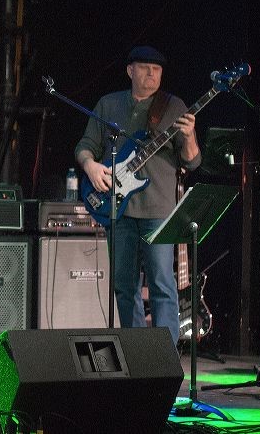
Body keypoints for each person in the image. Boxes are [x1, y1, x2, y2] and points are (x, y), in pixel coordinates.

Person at [74, 45, 201, 344]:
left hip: (159, 210)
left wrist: (189, 137)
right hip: (117, 210)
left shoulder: (174, 106)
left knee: (162, 284)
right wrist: (90, 166)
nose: (151, 74)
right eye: (145, 68)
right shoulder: (108, 104)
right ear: (130, 71)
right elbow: (85, 145)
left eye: (157, 70)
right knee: (124, 286)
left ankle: (165, 354)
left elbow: (193, 161)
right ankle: (136, 351)